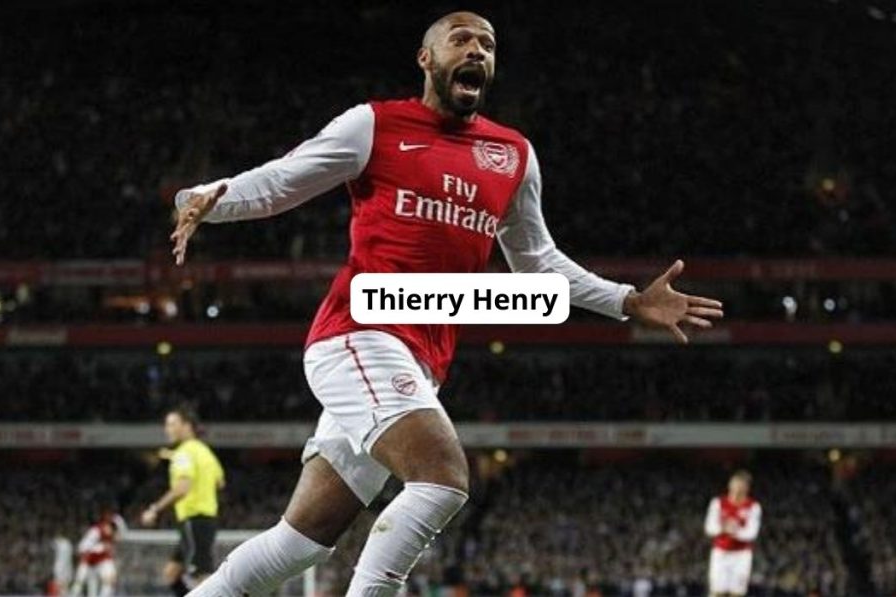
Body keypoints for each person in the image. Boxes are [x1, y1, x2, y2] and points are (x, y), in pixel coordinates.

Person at [170, 11, 724, 596]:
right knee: (442, 478)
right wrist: (209, 198)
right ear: (426, 58)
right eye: (461, 40)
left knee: (301, 541)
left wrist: (628, 301)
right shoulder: (374, 125)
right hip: (357, 335)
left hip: (420, 361)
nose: (477, 50)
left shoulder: (512, 154)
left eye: (488, 43)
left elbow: (538, 261)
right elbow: (288, 177)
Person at [140, 406, 225, 596]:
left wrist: (155, 509)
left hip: (194, 519)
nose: (167, 429)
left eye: (172, 424)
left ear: (187, 426)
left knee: (201, 576)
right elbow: (220, 482)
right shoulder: (205, 451)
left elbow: (182, 488)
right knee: (172, 573)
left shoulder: (184, 453)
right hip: (205, 519)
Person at [704, 471, 762, 597]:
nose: (736, 492)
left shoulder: (753, 506)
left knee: (737, 593)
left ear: (746, 489)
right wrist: (723, 529)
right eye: (734, 488)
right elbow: (709, 528)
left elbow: (752, 533)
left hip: (741, 555)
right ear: (729, 486)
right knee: (717, 592)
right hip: (720, 553)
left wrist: (735, 531)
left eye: (740, 489)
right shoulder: (718, 503)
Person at [70, 512, 125, 597]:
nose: (112, 530)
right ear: (105, 524)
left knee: (110, 579)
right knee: (79, 584)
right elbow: (81, 548)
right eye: (111, 526)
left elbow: (122, 532)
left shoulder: (112, 534)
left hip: (103, 560)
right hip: (89, 561)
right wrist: (101, 547)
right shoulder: (95, 531)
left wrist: (118, 519)